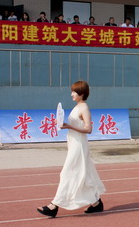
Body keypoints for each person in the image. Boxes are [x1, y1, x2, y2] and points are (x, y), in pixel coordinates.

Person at [36, 81, 106, 218]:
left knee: (67, 173)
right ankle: (96, 203)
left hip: (79, 145)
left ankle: (54, 206)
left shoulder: (84, 107)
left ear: (82, 93)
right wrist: (63, 124)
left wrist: (69, 126)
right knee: (83, 174)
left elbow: (88, 129)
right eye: (72, 91)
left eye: (74, 92)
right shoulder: (77, 107)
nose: (71, 94)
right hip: (74, 143)